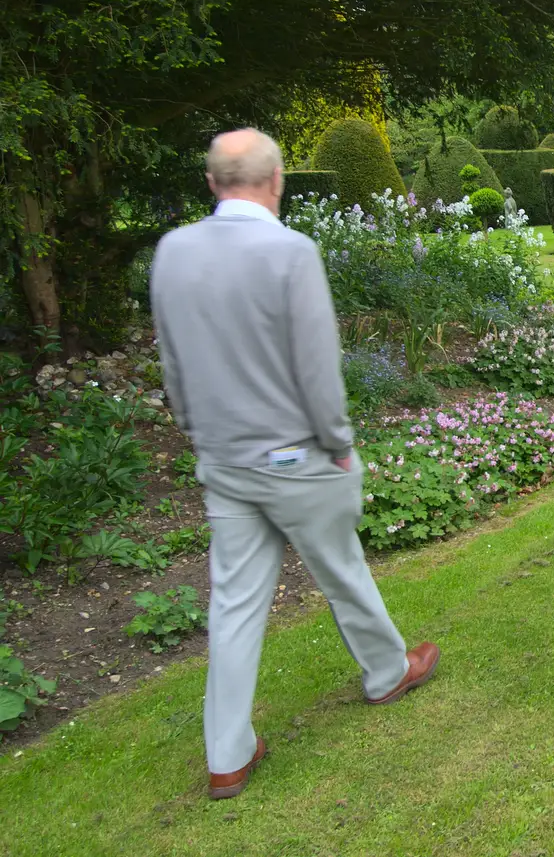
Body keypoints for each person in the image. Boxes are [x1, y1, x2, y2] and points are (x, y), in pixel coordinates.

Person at [150, 128, 439, 800]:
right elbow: (317, 366)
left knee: (235, 603)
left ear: (212, 183)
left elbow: (173, 363)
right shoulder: (290, 251)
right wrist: (338, 442)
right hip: (293, 456)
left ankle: (227, 755)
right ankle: (386, 670)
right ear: (276, 180)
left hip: (223, 458)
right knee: (341, 568)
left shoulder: (173, 251)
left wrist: (197, 432)